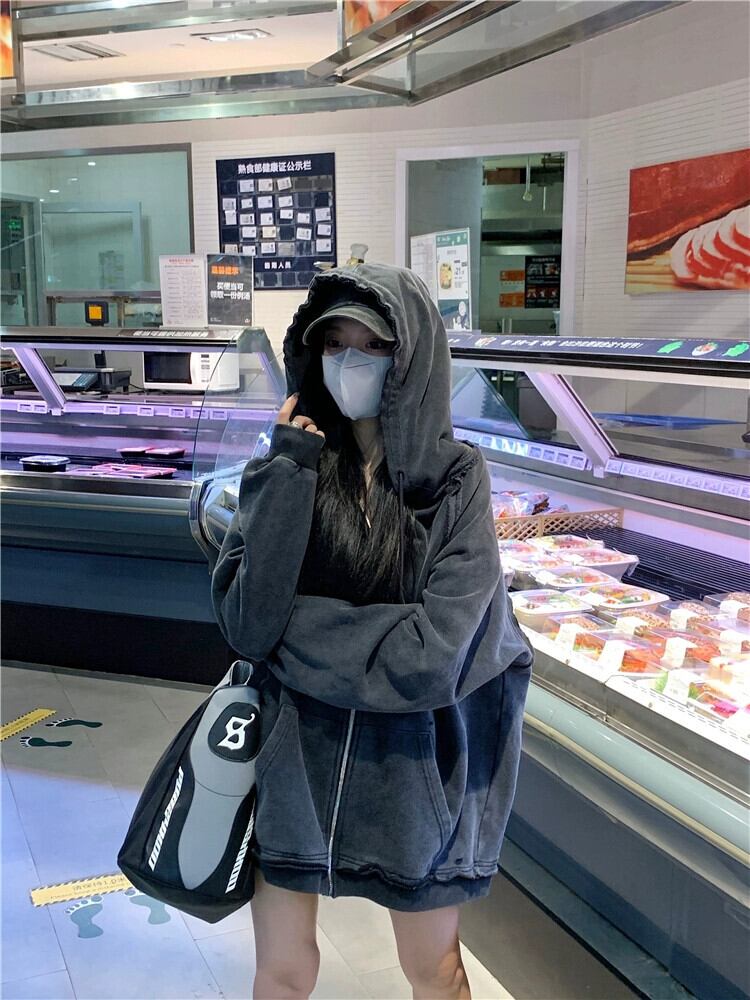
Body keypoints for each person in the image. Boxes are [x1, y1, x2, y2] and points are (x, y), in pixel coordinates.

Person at [211, 262, 533, 1000]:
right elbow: (248, 624)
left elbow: (431, 657)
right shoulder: (290, 463)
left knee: (435, 972)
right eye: (334, 344)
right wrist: (285, 471)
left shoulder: (455, 481)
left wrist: (299, 630)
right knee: (282, 971)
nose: (349, 362)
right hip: (295, 763)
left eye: (373, 345)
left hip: (413, 774)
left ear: (411, 355)